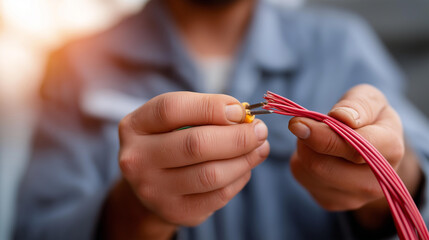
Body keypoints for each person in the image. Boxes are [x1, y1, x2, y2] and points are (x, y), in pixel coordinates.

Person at [14, 0, 429, 239]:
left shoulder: (339, 45)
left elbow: (413, 169)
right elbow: (34, 229)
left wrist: (395, 177)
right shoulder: (78, 64)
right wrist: (129, 213)